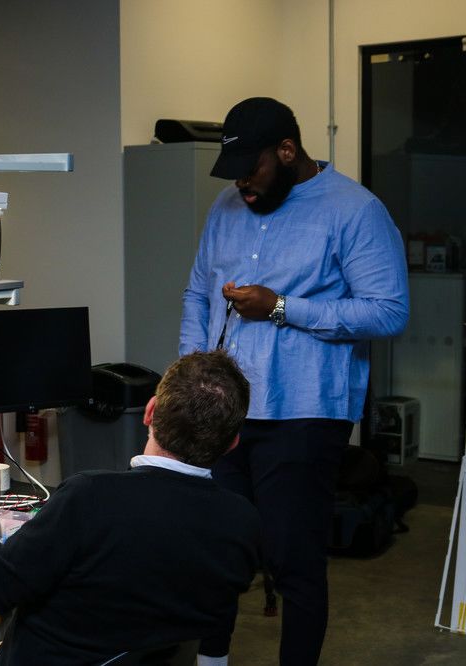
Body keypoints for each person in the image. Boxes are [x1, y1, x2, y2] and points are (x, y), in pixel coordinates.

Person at [179, 97, 409, 665]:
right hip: (222, 412)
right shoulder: (226, 207)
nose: (242, 185)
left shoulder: (355, 211)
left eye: (251, 170)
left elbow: (388, 312)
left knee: (291, 559)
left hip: (304, 413)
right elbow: (197, 294)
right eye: (234, 174)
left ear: (286, 151)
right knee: (213, 550)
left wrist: (282, 307)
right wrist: (190, 377)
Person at [0, 351, 261, 666]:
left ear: (150, 411)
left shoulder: (90, 497)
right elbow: (216, 625)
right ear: (232, 443)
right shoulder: (242, 522)